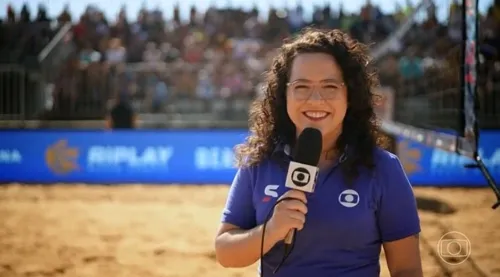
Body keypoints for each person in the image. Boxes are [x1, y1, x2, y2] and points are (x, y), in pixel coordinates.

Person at [214, 28, 422, 277]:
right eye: (301, 86)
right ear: (285, 94)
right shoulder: (260, 162)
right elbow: (225, 252)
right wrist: (270, 231)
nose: (315, 99)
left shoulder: (383, 168)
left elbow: (407, 270)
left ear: (350, 95)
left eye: (330, 86)